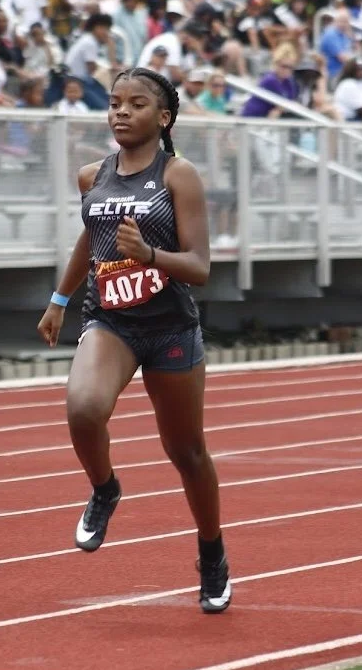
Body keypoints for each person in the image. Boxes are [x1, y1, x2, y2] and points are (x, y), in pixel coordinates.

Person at [37, 66, 231, 614]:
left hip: (169, 326)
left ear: (163, 117)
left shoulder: (180, 176)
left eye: (136, 104)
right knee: (83, 408)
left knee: (187, 452)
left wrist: (148, 254)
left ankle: (212, 552)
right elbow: (91, 239)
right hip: (112, 321)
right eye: (115, 103)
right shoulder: (92, 176)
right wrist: (59, 299)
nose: (121, 111)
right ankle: (105, 488)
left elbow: (198, 267)